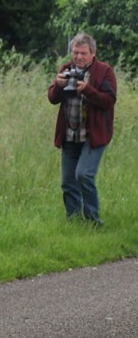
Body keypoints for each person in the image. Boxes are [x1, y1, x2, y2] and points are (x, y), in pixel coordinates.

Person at [47, 32, 117, 224]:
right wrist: (59, 85)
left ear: (93, 53)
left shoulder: (104, 71)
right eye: (75, 52)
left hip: (94, 134)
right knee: (68, 181)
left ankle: (94, 220)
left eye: (83, 53)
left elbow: (109, 101)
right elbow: (52, 98)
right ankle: (75, 222)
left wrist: (87, 89)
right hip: (70, 134)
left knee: (84, 174)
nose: (78, 57)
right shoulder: (66, 69)